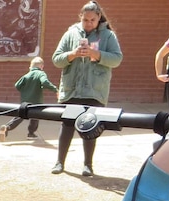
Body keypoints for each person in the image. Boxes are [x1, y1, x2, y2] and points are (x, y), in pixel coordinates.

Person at [51, 1, 123, 176]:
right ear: (80, 18)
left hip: (95, 90)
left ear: (99, 18)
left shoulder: (108, 36)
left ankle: (88, 165)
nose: (89, 23)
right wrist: (73, 54)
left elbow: (117, 59)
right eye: (85, 20)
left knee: (90, 127)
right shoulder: (71, 34)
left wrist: (96, 54)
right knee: (67, 125)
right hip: (72, 88)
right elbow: (56, 59)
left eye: (92, 19)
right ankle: (60, 162)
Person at [0, 56, 58, 141]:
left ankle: (7, 127)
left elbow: (17, 85)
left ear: (31, 67)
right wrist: (55, 89)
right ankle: (31, 133)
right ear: (41, 66)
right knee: (36, 117)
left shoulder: (27, 75)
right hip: (36, 101)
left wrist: (25, 91)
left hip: (25, 101)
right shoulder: (41, 73)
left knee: (20, 116)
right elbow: (44, 82)